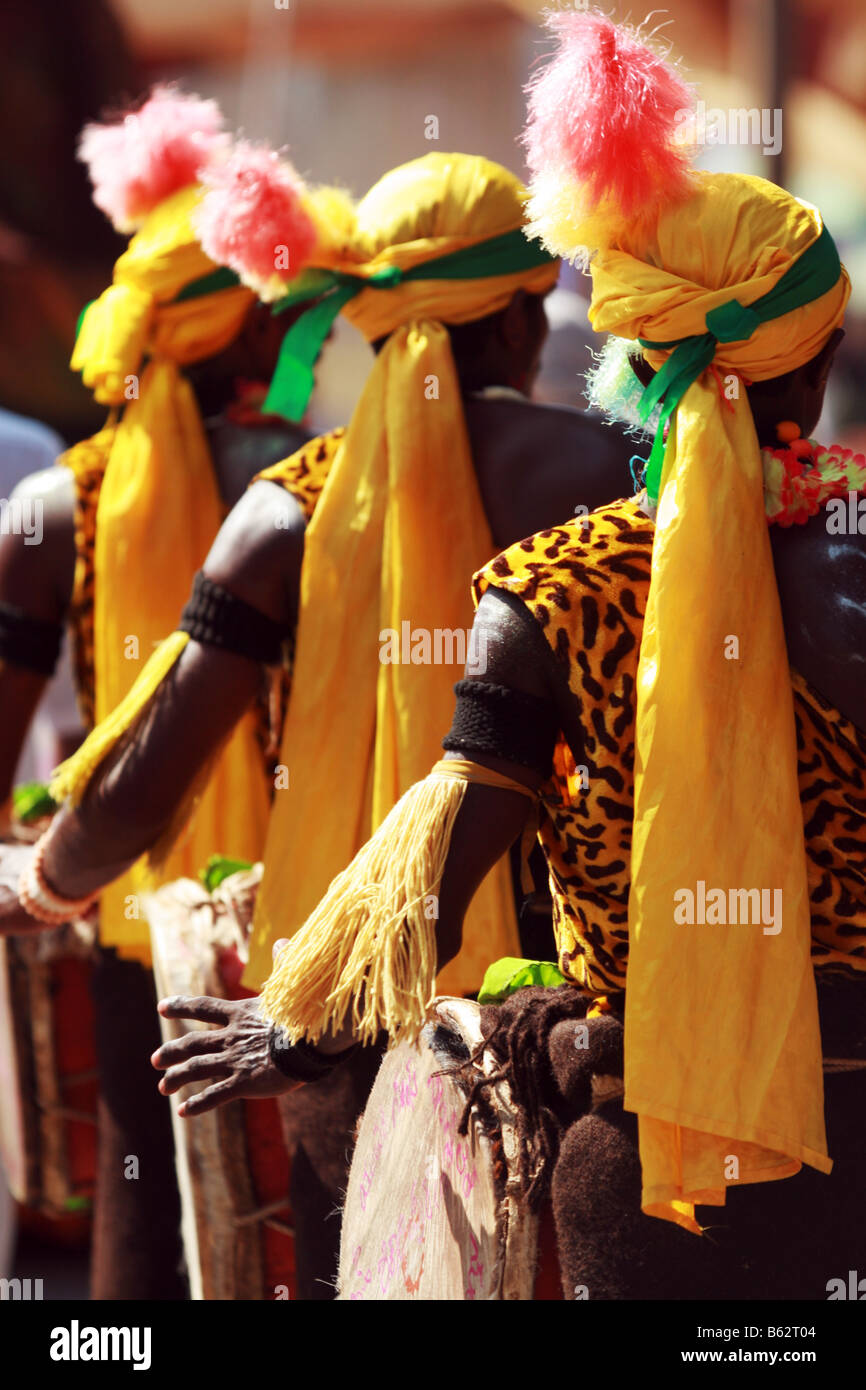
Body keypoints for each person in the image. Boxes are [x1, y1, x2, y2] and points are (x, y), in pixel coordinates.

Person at [148, 14, 865, 1300]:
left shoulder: (547, 590)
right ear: (811, 374)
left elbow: (447, 839)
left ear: (633, 357)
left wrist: (291, 1015)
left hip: (655, 1178)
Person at [0, 149, 638, 1295]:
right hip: (566, 1024)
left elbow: (158, 759)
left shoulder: (281, 514)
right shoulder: (617, 484)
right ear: (513, 324)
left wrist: (49, 879)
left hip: (335, 1017)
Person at [0, 86, 327, 1299]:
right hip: (302, 944)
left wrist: (41, 873)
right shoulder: (322, 497)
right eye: (272, 320)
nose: (291, 342)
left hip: (119, 922)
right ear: (233, 336)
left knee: (137, 1248)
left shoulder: (50, 508)